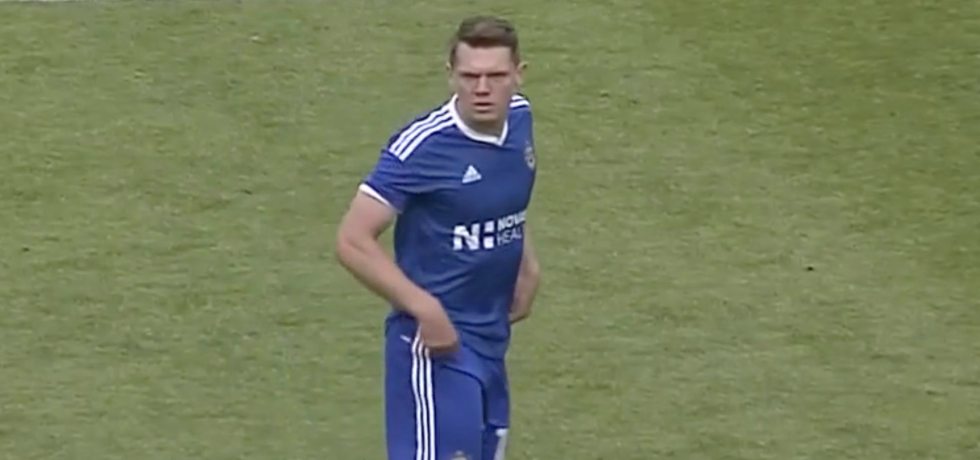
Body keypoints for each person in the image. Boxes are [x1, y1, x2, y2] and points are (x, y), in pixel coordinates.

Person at [335, 15, 541, 460]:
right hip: (433, 347)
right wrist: (425, 309)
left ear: (518, 75)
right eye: (469, 76)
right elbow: (352, 239)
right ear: (451, 76)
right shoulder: (422, 147)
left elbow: (501, 199)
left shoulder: (521, 120)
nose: (482, 89)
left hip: (491, 337)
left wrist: (527, 262)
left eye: (495, 76)